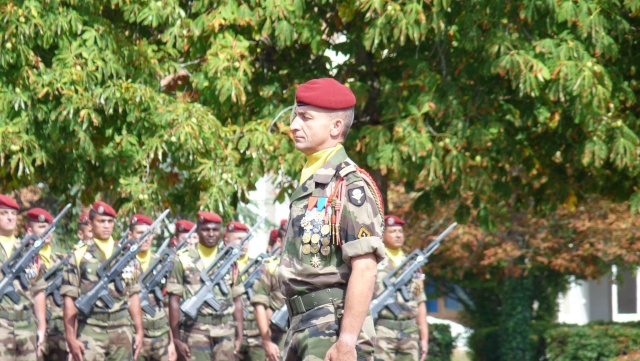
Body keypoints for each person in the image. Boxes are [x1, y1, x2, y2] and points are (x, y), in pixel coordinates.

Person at [278, 78, 385, 360]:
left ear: (336, 127)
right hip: (301, 325)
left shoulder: (349, 185)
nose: (293, 125)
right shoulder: (312, 181)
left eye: (305, 118)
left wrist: (347, 341)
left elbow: (364, 267)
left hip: (332, 328)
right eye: (295, 116)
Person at [61, 201, 144, 361]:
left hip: (121, 328)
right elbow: (69, 299)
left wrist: (139, 331)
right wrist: (71, 338)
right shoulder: (79, 255)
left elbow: (133, 295)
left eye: (110, 221)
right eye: (101, 221)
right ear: (90, 224)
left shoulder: (125, 255)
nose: (106, 226)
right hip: (90, 328)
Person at [167, 212, 244, 361]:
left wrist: (239, 335)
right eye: (205, 229)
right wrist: (176, 338)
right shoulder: (182, 258)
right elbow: (173, 300)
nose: (210, 234)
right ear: (197, 230)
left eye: (215, 230)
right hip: (195, 331)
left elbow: (237, 299)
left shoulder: (229, 260)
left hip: (225, 332)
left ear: (221, 232)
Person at [373, 215, 429, 361]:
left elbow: (420, 301)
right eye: (392, 231)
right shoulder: (374, 262)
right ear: (382, 235)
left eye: (400, 231)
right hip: (382, 331)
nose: (398, 235)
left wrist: (424, 338)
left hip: (409, 332)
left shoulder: (412, 265)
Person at [0, 194, 47, 360]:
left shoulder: (27, 250)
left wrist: (41, 326)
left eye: (13, 214)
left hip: (26, 326)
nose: (10, 217)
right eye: (4, 213)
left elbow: (38, 289)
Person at [130, 214, 177, 361]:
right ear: (130, 234)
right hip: (134, 337)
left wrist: (172, 343)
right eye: (139, 233)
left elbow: (168, 304)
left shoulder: (161, 263)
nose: (145, 238)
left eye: (148, 234)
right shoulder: (122, 263)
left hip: (161, 337)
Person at [26, 207, 68, 361]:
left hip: (60, 331)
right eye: (42, 227)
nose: (47, 231)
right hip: (33, 329)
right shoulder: (24, 261)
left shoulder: (62, 260)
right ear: (30, 230)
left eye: (50, 227)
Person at [224, 221, 265, 361]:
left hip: (257, 335)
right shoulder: (220, 268)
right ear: (226, 240)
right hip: (229, 334)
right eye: (239, 239)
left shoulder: (259, 267)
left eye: (246, 240)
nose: (243, 244)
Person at [251, 226, 286, 361]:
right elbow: (259, 305)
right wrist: (267, 341)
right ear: (279, 241)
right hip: (280, 337)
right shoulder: (271, 267)